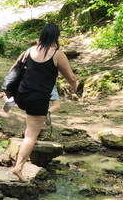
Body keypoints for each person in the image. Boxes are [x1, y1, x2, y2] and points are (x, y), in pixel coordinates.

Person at [9, 22, 78, 180]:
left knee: (30, 126)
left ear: (42, 35)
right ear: (56, 37)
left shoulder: (30, 50)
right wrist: (75, 87)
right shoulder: (57, 54)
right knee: (31, 136)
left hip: (22, 96)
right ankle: (18, 167)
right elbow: (71, 77)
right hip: (38, 99)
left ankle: (20, 157)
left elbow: (13, 70)